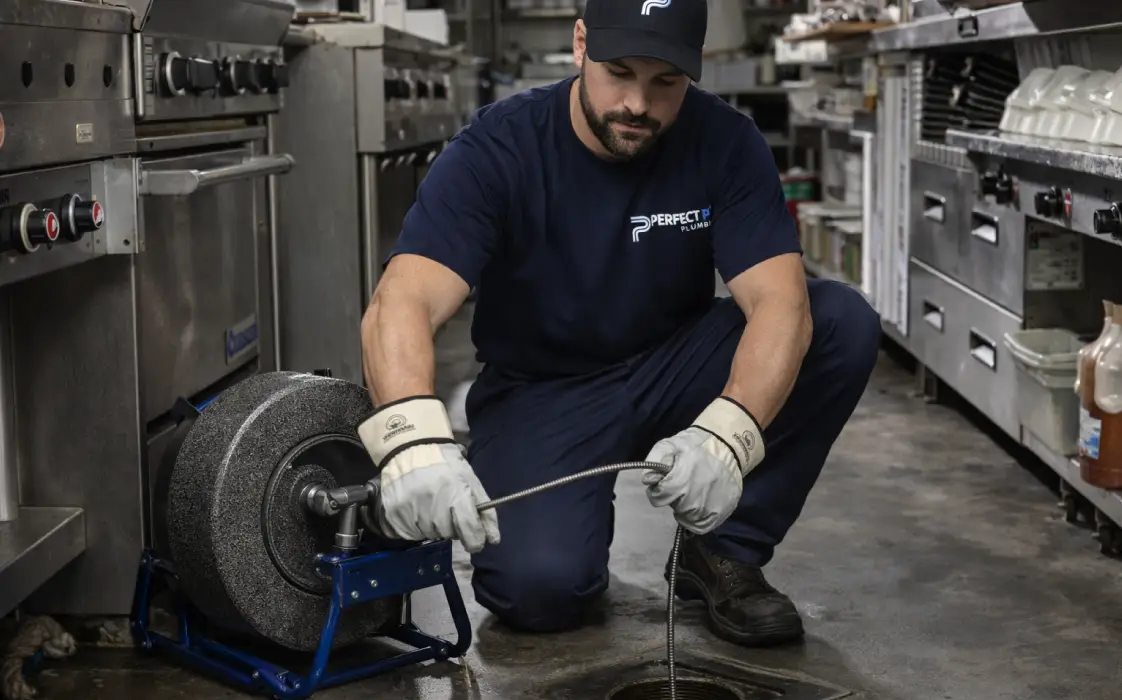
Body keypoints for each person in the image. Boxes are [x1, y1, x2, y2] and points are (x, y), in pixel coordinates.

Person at [357, 0, 881, 647]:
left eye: (666, 81)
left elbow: (782, 305)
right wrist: (414, 441)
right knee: (538, 590)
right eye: (619, 71)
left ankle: (725, 551)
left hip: (675, 367)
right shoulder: (500, 145)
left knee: (838, 321)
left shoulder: (723, 141)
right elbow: (402, 298)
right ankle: (556, 533)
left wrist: (729, 434)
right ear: (581, 45)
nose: (638, 102)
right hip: (543, 390)